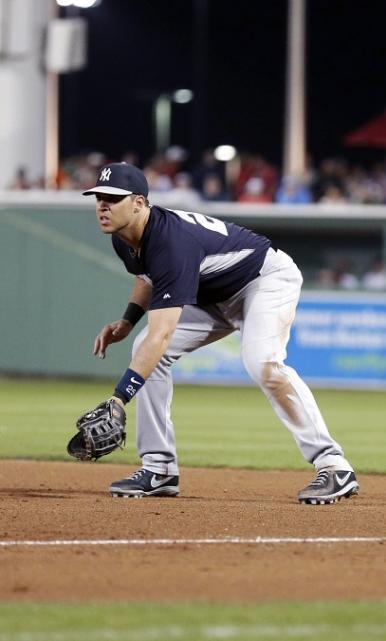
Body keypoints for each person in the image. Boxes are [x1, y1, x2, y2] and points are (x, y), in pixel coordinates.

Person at [84, 162, 358, 503]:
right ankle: (159, 468)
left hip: (264, 279)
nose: (102, 206)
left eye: (113, 198)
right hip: (214, 296)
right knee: (144, 346)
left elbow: (162, 335)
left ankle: (334, 466)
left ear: (139, 203)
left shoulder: (171, 242)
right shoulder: (123, 238)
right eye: (98, 197)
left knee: (262, 363)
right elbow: (145, 278)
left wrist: (118, 398)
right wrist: (127, 320)